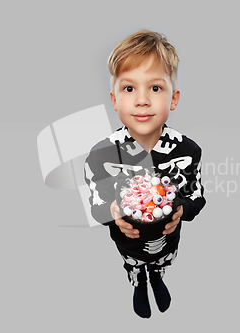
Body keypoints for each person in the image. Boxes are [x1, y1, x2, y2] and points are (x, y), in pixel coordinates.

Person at [84, 29, 206, 318]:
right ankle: (138, 281)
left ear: (173, 98)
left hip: (166, 238)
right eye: (129, 89)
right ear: (114, 100)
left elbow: (197, 196)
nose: (142, 100)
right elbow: (94, 205)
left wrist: (181, 209)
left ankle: (158, 276)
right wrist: (111, 212)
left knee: (162, 260)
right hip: (127, 240)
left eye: (155, 88)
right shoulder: (101, 155)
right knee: (133, 262)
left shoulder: (188, 150)